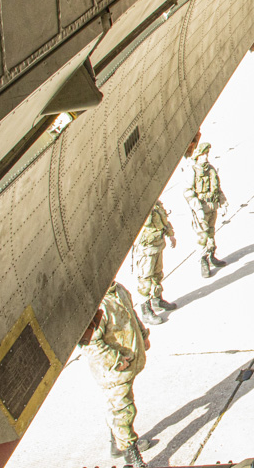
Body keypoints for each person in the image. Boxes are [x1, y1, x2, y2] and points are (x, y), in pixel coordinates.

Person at [81, 282, 151, 468]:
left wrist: (143, 335)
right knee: (123, 410)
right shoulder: (97, 303)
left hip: (126, 365)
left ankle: (117, 445)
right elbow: (90, 345)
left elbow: (131, 314)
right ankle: (132, 455)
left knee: (119, 406)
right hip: (112, 371)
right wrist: (116, 361)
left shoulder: (118, 290)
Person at [186, 142, 227, 278]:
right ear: (198, 155)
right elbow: (188, 192)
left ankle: (211, 255)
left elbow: (217, 187)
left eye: (207, 154)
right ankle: (203, 260)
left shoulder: (210, 169)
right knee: (202, 235)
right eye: (204, 154)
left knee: (211, 232)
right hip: (201, 208)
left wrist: (223, 201)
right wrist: (197, 208)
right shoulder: (193, 171)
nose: (206, 156)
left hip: (212, 206)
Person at [135, 199, 177, 325]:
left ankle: (157, 300)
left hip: (158, 246)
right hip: (146, 250)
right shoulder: (141, 207)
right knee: (145, 281)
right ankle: (146, 312)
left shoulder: (157, 204)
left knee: (157, 274)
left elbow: (164, 221)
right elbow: (146, 222)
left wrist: (171, 235)